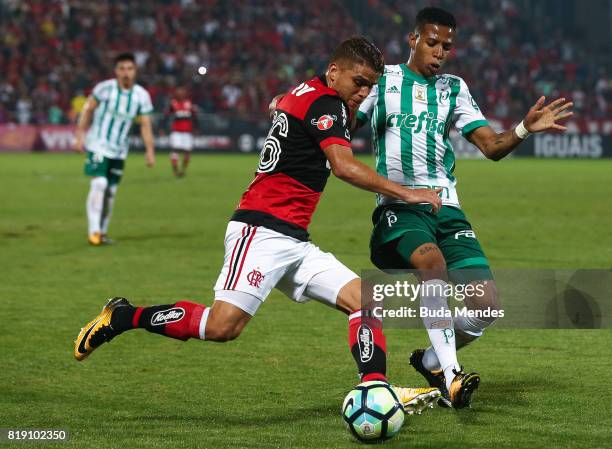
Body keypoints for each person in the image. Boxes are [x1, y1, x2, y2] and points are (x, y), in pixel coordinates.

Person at [74, 36, 443, 414]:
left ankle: (376, 389)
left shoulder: (309, 91)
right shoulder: (326, 101)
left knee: (364, 300)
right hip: (261, 230)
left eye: (370, 85)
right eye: (358, 81)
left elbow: (282, 103)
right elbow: (344, 166)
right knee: (221, 327)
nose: (363, 92)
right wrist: (409, 194)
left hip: (294, 238)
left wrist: (281, 106)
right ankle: (121, 316)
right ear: (334, 72)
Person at [355, 7, 573, 409]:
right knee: (430, 262)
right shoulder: (383, 81)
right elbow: (344, 122)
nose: (439, 52)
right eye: (433, 42)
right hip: (400, 206)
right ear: (414, 39)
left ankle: (432, 360)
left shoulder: (453, 88)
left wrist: (524, 128)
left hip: (448, 209)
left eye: (447, 46)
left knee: (487, 306)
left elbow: (491, 147)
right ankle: (452, 378)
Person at [75, 52, 156, 246]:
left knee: (111, 191)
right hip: (98, 144)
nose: (125, 73)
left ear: (135, 71)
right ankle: (93, 232)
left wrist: (150, 151)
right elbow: (88, 110)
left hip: (119, 150)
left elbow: (145, 125)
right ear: (116, 71)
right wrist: (80, 136)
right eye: (122, 69)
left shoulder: (141, 96)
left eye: (129, 69)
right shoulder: (104, 89)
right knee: (99, 184)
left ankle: (101, 233)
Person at [166, 86, 197, 177]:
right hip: (176, 132)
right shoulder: (173, 103)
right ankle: (175, 170)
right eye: (179, 92)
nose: (180, 94)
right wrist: (163, 128)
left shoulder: (189, 104)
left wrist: (196, 128)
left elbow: (194, 117)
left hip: (187, 132)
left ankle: (183, 170)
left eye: (182, 92)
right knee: (175, 149)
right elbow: (167, 115)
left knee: (187, 151)